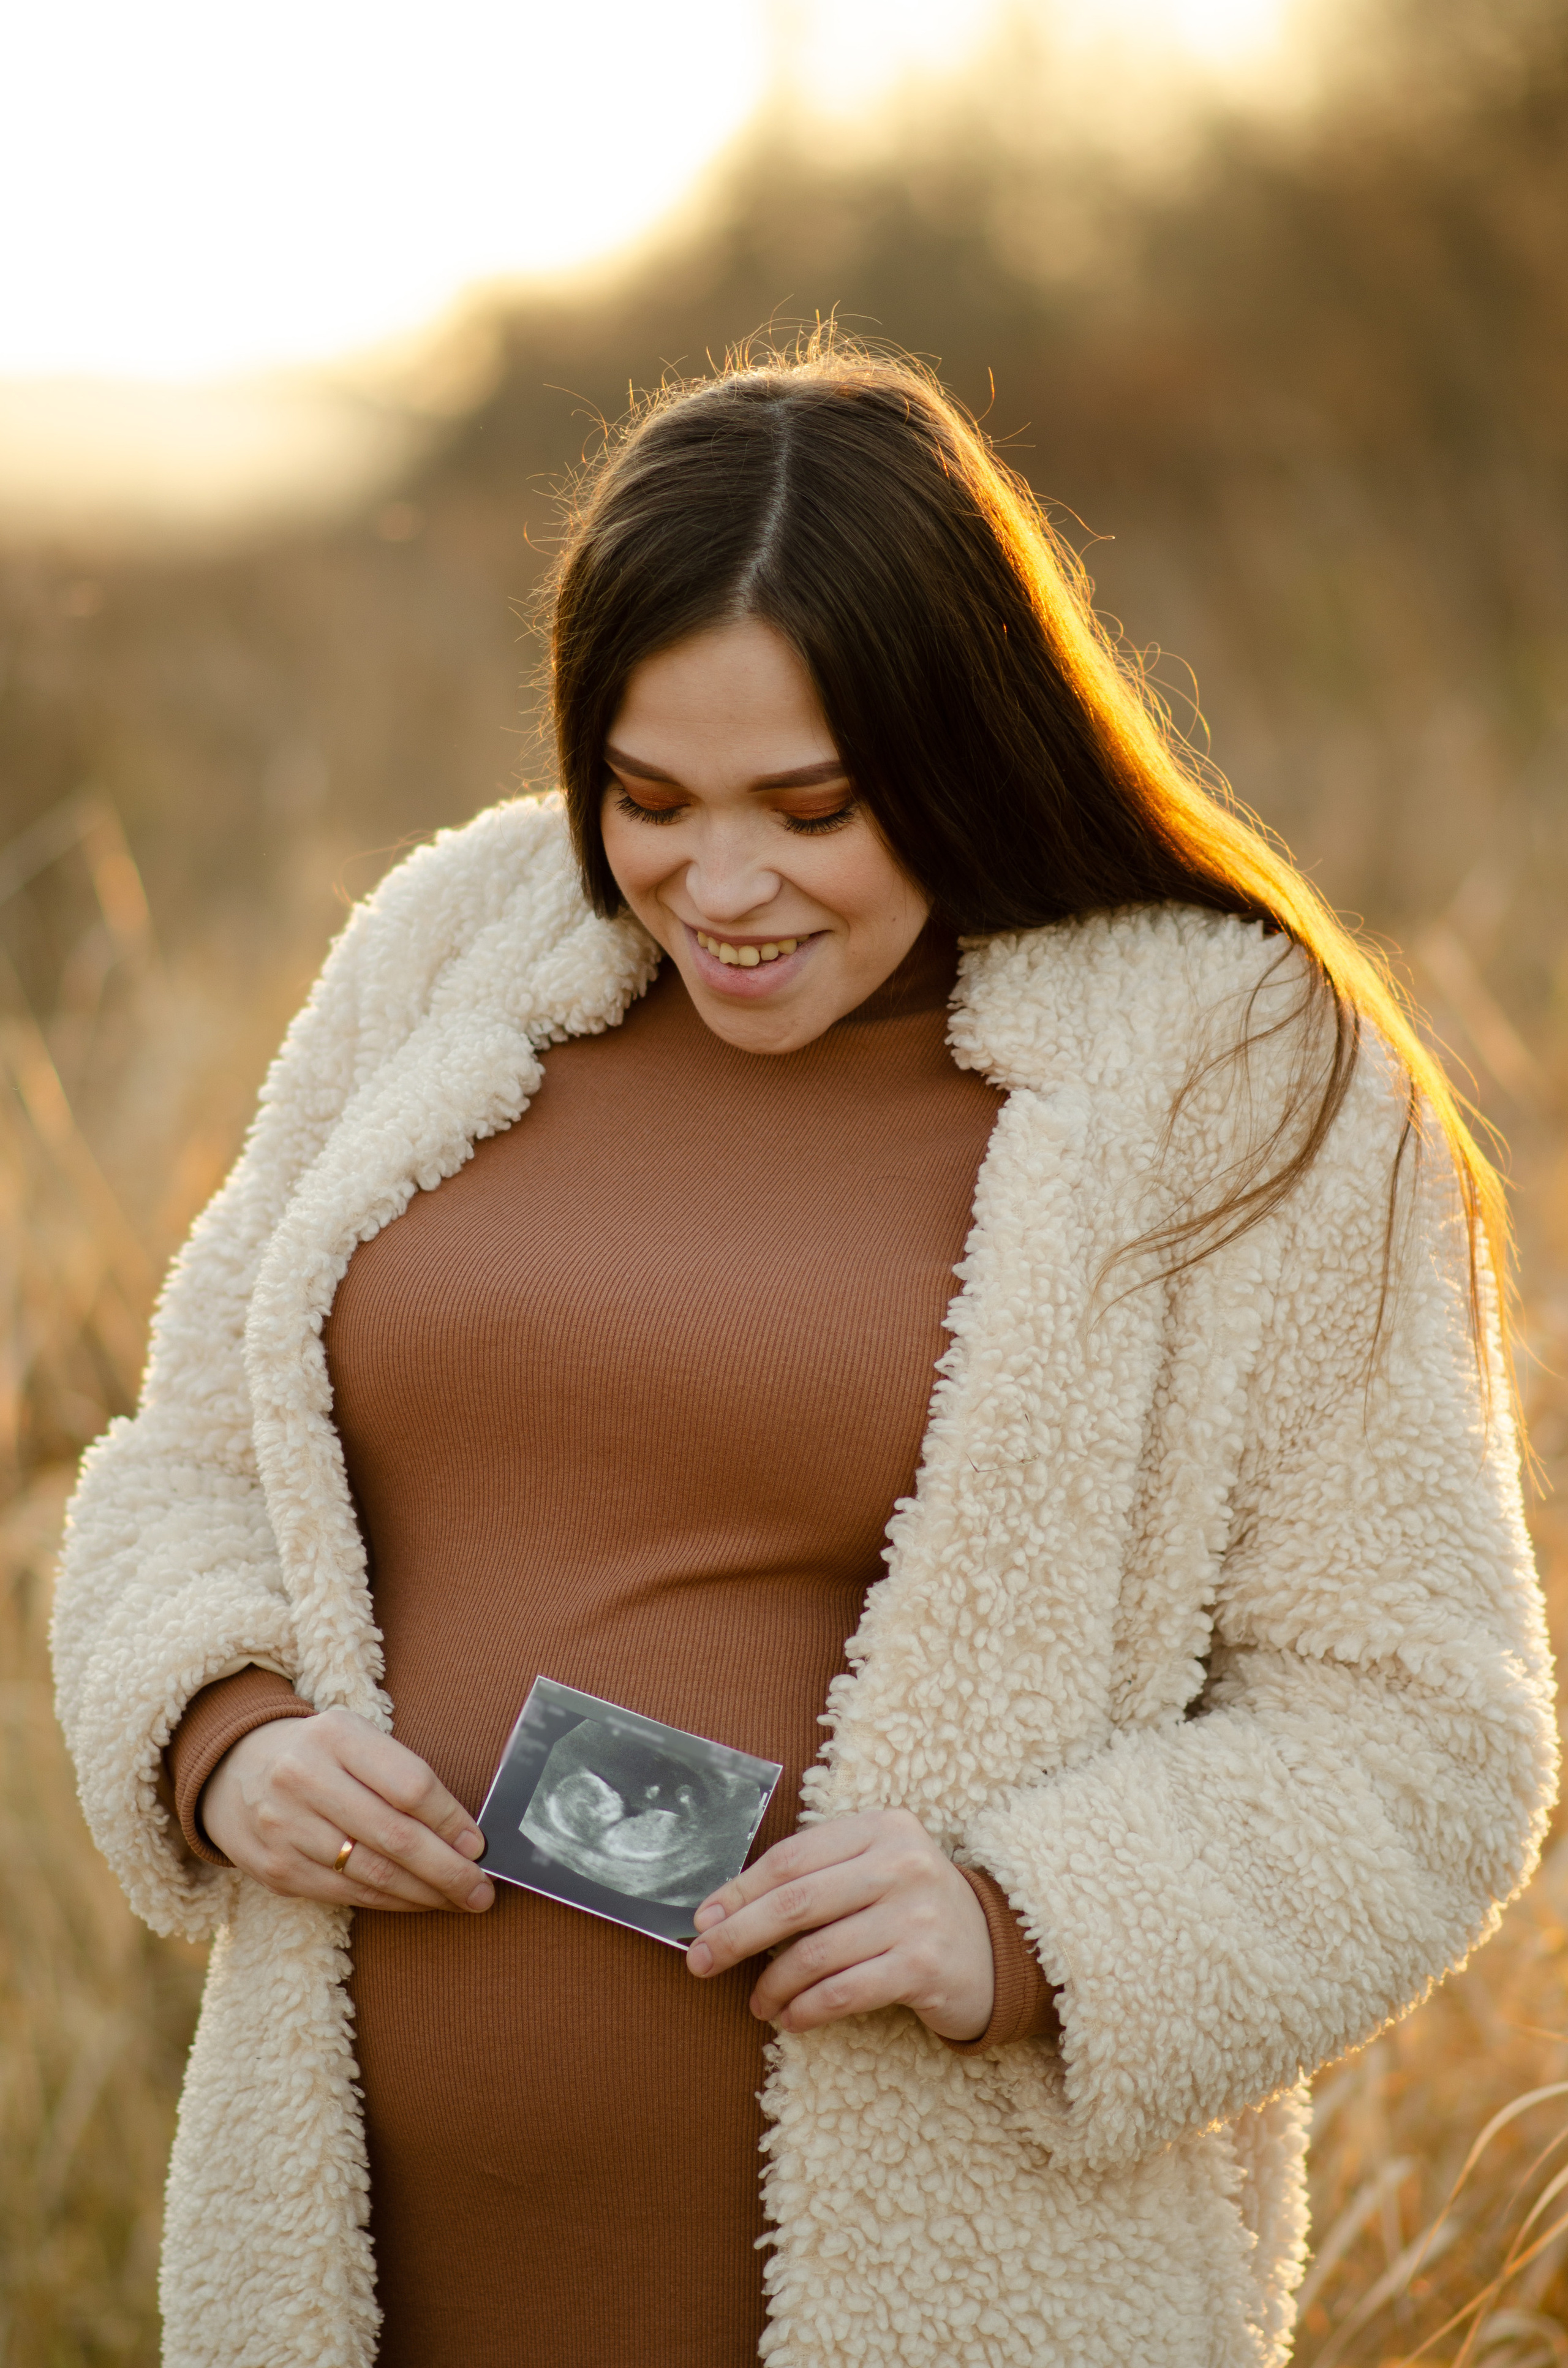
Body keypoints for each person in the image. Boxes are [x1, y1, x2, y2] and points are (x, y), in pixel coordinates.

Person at [53, 340, 1555, 2368]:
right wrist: (222, 1732)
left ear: (963, 743)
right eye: (648, 800)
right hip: (363, 2286)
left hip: (946, 2299)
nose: (722, 887)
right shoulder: (451, 943)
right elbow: (190, 1458)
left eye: (812, 807)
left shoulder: (1242, 1075)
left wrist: (1029, 1921)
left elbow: (1417, 1734)